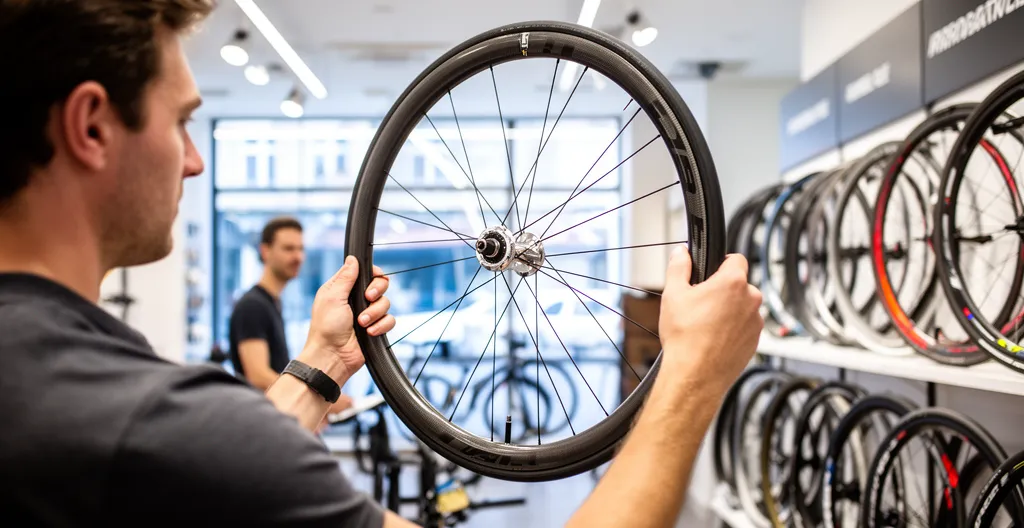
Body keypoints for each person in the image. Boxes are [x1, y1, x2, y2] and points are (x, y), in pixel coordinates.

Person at [0, 2, 763, 527]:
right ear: (92, 126)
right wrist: (693, 375)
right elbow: (196, 458)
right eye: (183, 122)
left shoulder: (57, 403)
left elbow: (203, 485)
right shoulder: (143, 425)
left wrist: (319, 367)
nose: (196, 163)